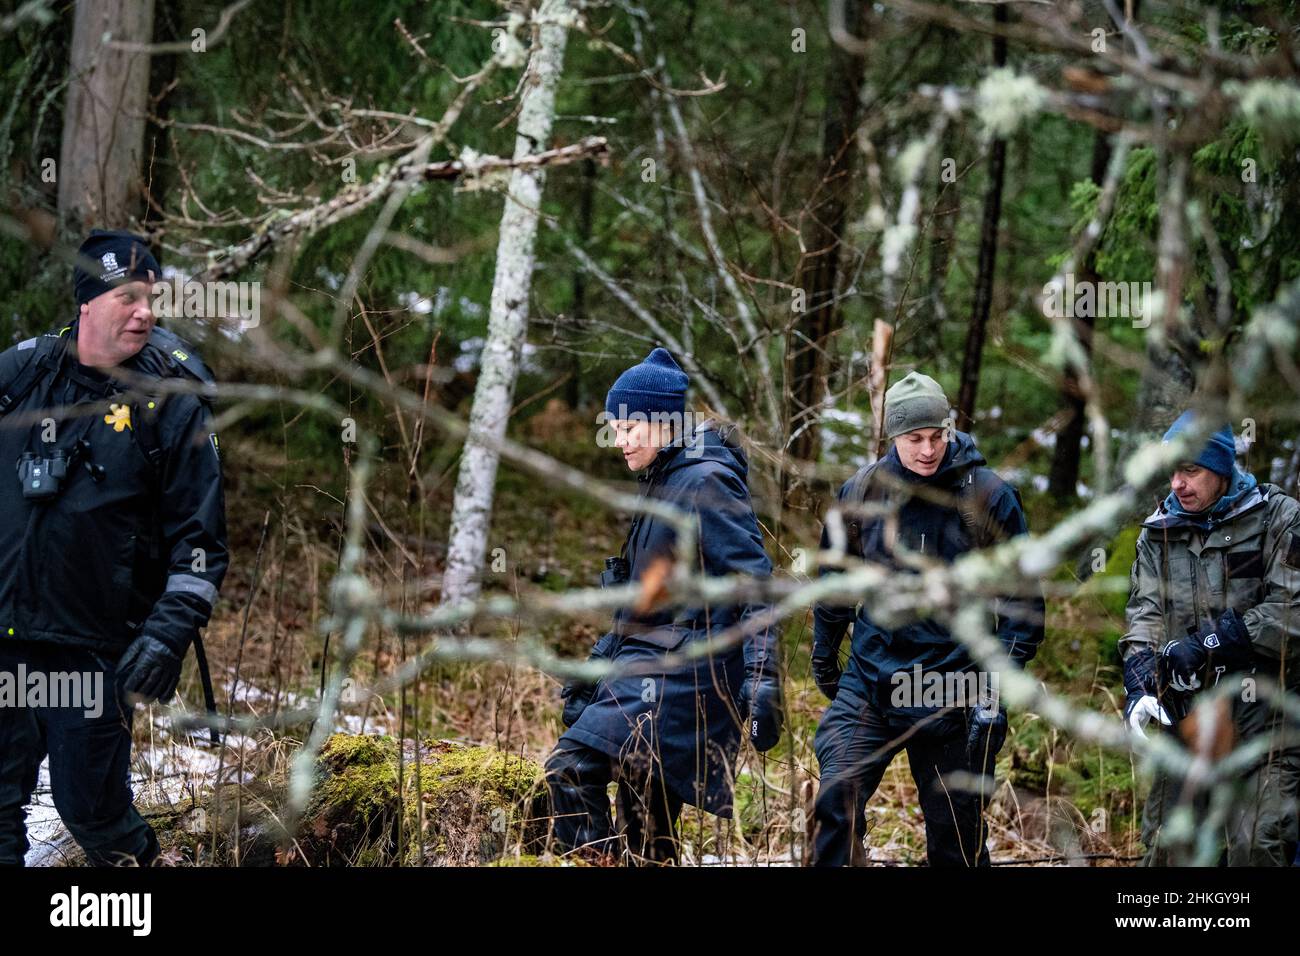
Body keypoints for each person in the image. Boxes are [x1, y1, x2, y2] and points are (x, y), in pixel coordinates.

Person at [0, 229, 228, 866]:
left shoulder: (172, 399)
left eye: (151, 297)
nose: (145, 311)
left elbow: (202, 543)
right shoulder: (20, 376)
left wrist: (165, 635)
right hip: (5, 633)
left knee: (92, 810)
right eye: (127, 297)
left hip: (93, 646)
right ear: (87, 302)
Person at [541, 347, 783, 864]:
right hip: (651, 664)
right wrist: (597, 668)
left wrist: (762, 679)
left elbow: (754, 583)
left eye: (629, 428)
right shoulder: (662, 479)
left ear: (662, 422)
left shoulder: (704, 481)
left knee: (570, 768)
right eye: (615, 428)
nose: (619, 441)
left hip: (688, 674)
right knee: (648, 825)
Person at [810, 371, 1044, 866]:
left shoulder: (988, 497)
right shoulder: (862, 493)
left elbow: (1023, 603)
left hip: (953, 691)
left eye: (938, 436)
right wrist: (824, 654)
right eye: (914, 439)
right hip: (873, 678)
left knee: (956, 839)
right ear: (893, 437)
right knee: (835, 797)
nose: (928, 449)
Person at [1120, 410, 1300, 866]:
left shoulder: (1278, 518)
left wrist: (1209, 643)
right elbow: (1144, 613)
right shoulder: (1158, 533)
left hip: (1270, 719)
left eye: (1191, 470)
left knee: (1257, 846)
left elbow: (1292, 609)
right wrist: (1140, 681)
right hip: (1191, 720)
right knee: (1166, 848)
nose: (1178, 484)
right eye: (1173, 471)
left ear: (1222, 470)